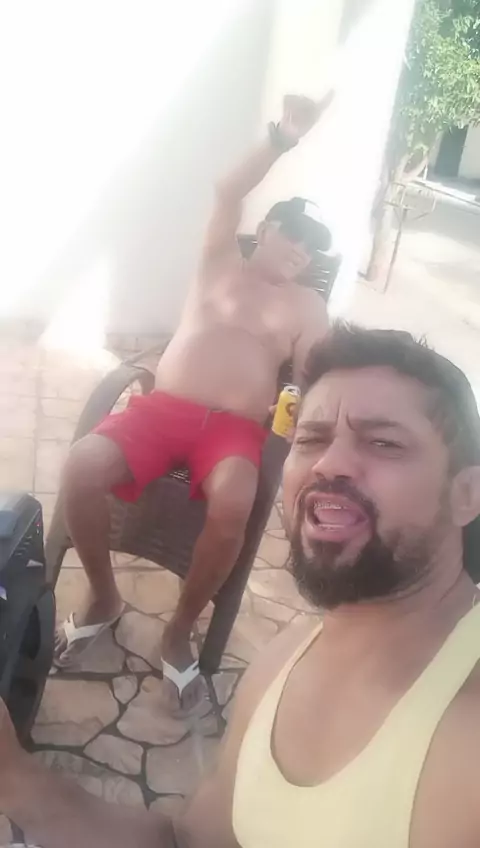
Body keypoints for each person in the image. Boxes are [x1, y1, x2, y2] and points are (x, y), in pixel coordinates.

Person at [4, 323, 480, 848]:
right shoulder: (282, 661)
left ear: (468, 493)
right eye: (311, 439)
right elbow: (189, 842)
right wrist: (13, 777)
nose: (328, 464)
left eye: (384, 442)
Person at [53, 93, 332, 708]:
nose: (301, 251)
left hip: (234, 430)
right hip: (162, 410)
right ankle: (104, 596)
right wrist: (282, 138)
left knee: (235, 500)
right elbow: (227, 190)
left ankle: (179, 630)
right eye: (293, 235)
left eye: (312, 248)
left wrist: (309, 419)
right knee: (80, 467)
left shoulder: (308, 305)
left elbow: (315, 376)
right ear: (265, 230)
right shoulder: (219, 260)